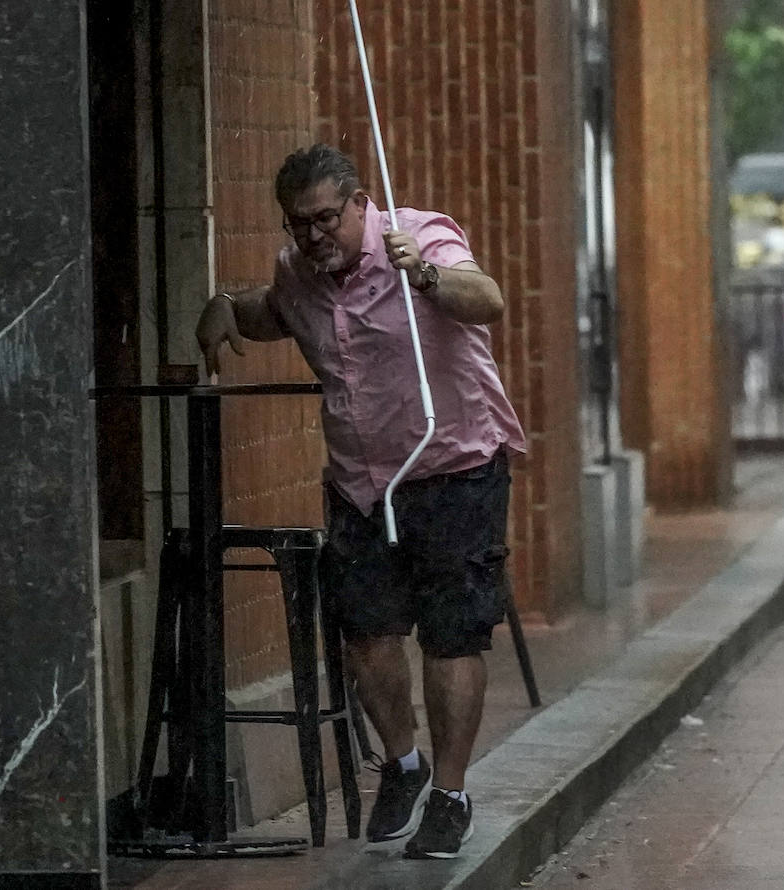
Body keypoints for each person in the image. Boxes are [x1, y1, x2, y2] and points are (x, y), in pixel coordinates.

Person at [195, 144, 526, 859]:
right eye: (299, 223)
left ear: (359, 204)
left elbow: (487, 299)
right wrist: (224, 308)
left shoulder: (420, 235)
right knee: (366, 633)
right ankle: (403, 764)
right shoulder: (298, 272)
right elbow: (273, 312)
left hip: (452, 464)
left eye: (326, 219)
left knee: (452, 636)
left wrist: (426, 275)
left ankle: (451, 795)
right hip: (361, 483)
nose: (314, 236)